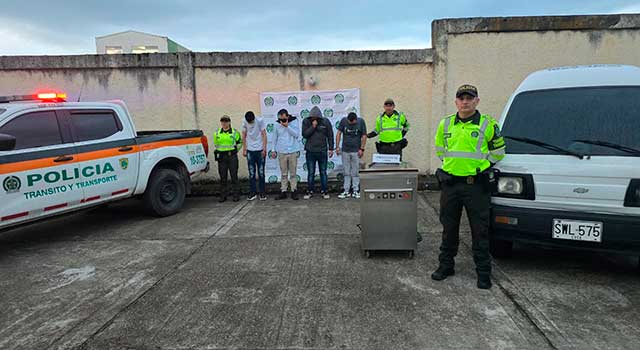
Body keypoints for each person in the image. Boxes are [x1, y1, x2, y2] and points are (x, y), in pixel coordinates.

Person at [432, 84, 506, 290]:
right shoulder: (445, 124)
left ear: (477, 101)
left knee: (479, 231)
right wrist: (451, 167)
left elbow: (499, 151)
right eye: (461, 98)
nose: (465, 101)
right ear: (456, 102)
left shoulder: (487, 124)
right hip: (451, 185)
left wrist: (482, 166)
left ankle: (483, 273)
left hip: (476, 187)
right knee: (448, 228)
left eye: (469, 98)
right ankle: (446, 266)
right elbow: (440, 150)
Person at [302, 106, 334, 199]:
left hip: (322, 151)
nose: (314, 119)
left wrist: (331, 148)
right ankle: (310, 191)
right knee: (311, 172)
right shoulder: (306, 122)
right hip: (310, 151)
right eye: (312, 118)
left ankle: (324, 191)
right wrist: (313, 126)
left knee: (323, 172)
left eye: (316, 118)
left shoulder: (326, 121)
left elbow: (330, 136)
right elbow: (305, 135)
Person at [336, 112, 367, 199]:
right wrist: (337, 147)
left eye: (352, 123)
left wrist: (362, 149)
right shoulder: (343, 121)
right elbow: (338, 133)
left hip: (356, 151)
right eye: (349, 122)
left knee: (355, 171)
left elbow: (364, 136)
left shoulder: (361, 122)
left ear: (356, 120)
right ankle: (346, 191)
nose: (351, 124)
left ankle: (355, 190)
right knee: (346, 171)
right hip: (345, 150)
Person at [213, 115, 242, 203]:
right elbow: (216, 144)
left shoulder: (234, 132)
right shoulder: (217, 133)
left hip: (232, 156)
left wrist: (235, 151)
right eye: (222, 121)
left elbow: (240, 142)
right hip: (222, 157)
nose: (224, 123)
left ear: (229, 122)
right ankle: (223, 196)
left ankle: (236, 195)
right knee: (223, 177)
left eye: (226, 121)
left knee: (234, 176)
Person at [273, 108, 301, 200]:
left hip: (292, 150)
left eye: (284, 119)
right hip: (282, 151)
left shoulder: (294, 121)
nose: (282, 121)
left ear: (288, 116)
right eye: (280, 119)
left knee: (293, 173)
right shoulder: (277, 124)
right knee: (283, 173)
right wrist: (273, 150)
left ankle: (294, 191)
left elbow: (296, 134)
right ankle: (283, 191)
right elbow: (274, 137)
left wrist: (287, 126)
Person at [241, 111, 267, 201]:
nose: (250, 124)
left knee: (261, 172)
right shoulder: (244, 121)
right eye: (249, 122)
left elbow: (264, 134)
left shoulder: (260, 120)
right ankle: (253, 192)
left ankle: (262, 192)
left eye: (251, 122)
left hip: (260, 150)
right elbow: (243, 135)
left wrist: (264, 148)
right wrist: (244, 149)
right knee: (251, 173)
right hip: (250, 150)